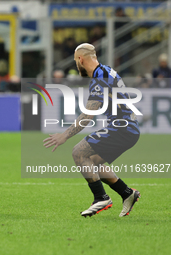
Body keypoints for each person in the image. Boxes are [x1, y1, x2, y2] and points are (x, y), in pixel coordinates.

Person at [43, 43, 140, 217]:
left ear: (80, 59)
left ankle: (101, 198)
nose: (76, 65)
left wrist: (64, 136)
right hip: (128, 128)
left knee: (78, 152)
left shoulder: (99, 76)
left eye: (75, 61)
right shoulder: (106, 70)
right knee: (92, 163)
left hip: (123, 127)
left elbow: (88, 115)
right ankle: (127, 193)